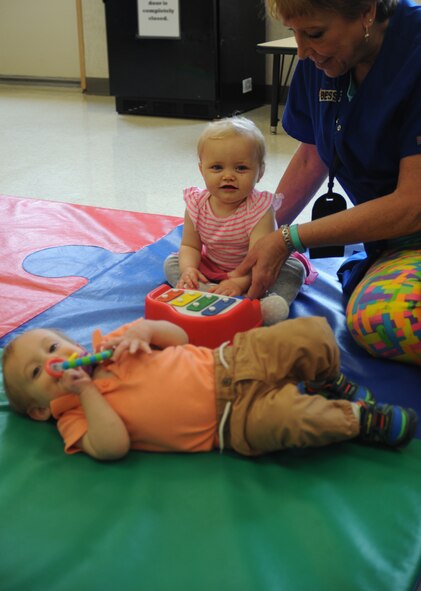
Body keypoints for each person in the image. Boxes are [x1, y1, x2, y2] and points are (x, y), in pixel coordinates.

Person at [234, 0, 421, 364]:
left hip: (410, 223)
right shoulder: (322, 58)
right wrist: (256, 235)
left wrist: (290, 238)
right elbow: (313, 154)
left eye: (315, 34)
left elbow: (412, 207)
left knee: (387, 322)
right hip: (395, 244)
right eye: (294, 34)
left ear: (367, 11)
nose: (302, 51)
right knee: (377, 313)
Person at [2, 316, 417, 461]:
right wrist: (86, 393)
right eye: (37, 373)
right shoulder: (73, 417)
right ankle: (361, 421)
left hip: (231, 360)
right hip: (234, 423)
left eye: (54, 347)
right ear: (40, 409)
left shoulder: (115, 343)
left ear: (72, 344)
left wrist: (147, 329)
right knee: (295, 419)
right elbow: (113, 447)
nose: (53, 363)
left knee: (311, 333)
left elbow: (180, 339)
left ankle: (328, 379)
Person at [164, 116, 317, 325]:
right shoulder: (196, 204)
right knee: (173, 263)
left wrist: (240, 281)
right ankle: (204, 291)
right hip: (215, 265)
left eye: (241, 168)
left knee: (292, 270)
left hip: (257, 268)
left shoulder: (260, 209)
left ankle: (265, 305)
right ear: (202, 170)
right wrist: (189, 269)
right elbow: (190, 245)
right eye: (217, 168)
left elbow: (260, 257)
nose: (228, 176)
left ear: (259, 172)